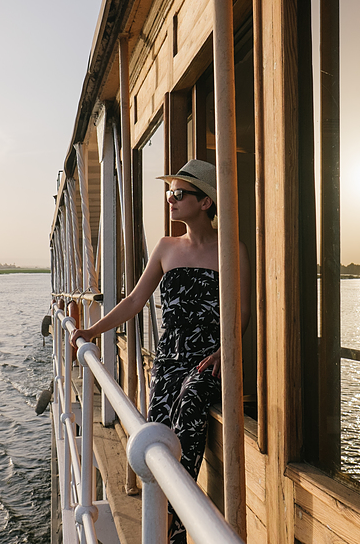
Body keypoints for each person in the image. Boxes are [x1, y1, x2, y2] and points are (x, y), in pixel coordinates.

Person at [70, 158, 250, 544]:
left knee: (191, 406)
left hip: (208, 361)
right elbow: (135, 300)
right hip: (169, 360)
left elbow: (243, 313)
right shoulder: (166, 247)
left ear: (205, 203)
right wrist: (92, 329)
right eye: (169, 192)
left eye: (178, 193)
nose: (169, 199)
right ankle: (174, 521)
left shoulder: (233, 249)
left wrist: (226, 350)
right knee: (157, 433)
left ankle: (174, 526)